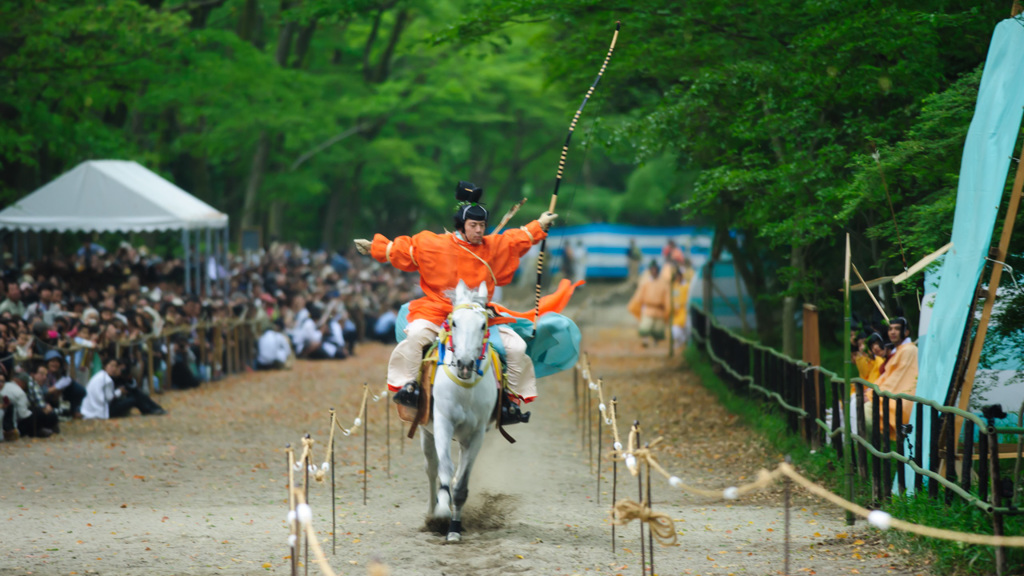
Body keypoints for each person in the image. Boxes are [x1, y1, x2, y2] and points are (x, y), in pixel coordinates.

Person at [354, 180, 556, 425]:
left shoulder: (492, 246)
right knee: (416, 336)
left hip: (481, 315)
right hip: (438, 310)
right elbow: (403, 249)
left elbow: (517, 239)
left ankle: (509, 402)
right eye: (473, 225)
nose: (479, 231)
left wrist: (540, 225)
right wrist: (375, 247)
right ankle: (410, 388)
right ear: (462, 226)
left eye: (482, 225)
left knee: (516, 349)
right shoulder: (434, 244)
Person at [863, 317, 918, 438]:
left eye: (897, 329)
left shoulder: (909, 350)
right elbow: (887, 376)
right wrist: (870, 392)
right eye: (890, 329)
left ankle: (871, 446)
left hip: (902, 399)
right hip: (890, 393)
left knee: (866, 411)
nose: (892, 332)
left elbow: (896, 379)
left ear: (906, 332)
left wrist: (871, 394)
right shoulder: (900, 350)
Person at [81, 356, 166, 419]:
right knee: (134, 399)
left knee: (135, 393)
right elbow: (109, 398)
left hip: (100, 408)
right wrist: (119, 392)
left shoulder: (100, 375)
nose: (113, 369)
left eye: (115, 366)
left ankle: (154, 408)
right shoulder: (106, 379)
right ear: (105, 366)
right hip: (103, 411)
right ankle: (150, 410)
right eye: (111, 366)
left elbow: (131, 386)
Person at [628, 260, 671, 347]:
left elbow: (667, 297)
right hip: (648, 308)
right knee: (645, 326)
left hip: (659, 309)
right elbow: (639, 296)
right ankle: (645, 341)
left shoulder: (663, 283)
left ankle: (656, 341)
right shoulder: (646, 282)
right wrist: (636, 304)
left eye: (655, 269)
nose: (654, 271)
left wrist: (667, 308)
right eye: (652, 269)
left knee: (657, 328)